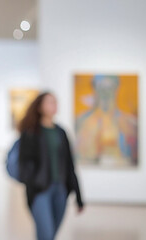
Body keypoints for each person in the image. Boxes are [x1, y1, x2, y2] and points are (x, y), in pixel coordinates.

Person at [18, 92, 84, 240]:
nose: (54, 105)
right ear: (40, 107)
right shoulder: (30, 132)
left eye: (55, 102)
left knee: (51, 235)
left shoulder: (61, 132)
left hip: (60, 190)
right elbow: (24, 163)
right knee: (46, 235)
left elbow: (70, 165)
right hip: (40, 191)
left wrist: (79, 197)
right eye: (49, 102)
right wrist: (34, 183)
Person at [75, 75, 137, 167]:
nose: (105, 92)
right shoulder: (81, 122)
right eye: (101, 87)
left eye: (110, 87)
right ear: (94, 89)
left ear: (116, 89)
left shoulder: (130, 123)